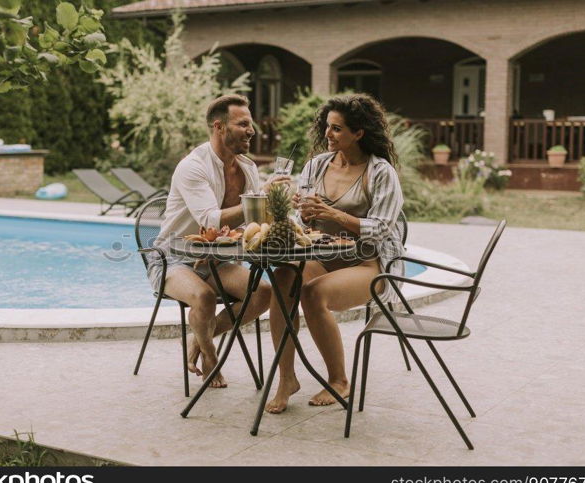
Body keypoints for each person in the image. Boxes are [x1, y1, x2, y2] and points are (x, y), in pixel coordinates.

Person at [265, 93, 405, 413]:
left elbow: (382, 228)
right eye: (327, 126)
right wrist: (301, 210)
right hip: (323, 256)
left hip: (369, 263)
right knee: (282, 278)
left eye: (338, 128)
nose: (328, 134)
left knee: (313, 294)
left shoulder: (381, 172)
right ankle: (286, 378)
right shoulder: (316, 165)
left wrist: (332, 214)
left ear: (359, 133)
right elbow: (305, 221)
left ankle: (339, 380)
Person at [147, 94, 286, 388]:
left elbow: (251, 223)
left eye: (252, 124)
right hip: (173, 257)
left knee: (263, 292)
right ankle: (210, 357)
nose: (252, 131)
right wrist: (260, 198)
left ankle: (198, 341)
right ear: (220, 127)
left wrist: (279, 206)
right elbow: (210, 219)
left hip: (217, 260)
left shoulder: (247, 168)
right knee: (204, 297)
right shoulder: (193, 166)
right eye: (243, 124)